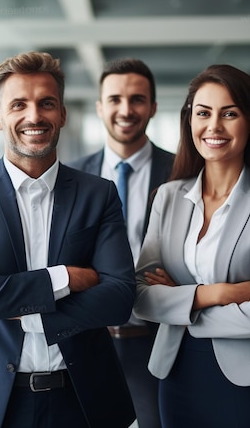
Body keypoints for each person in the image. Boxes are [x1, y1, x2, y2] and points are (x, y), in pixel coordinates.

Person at [0, 51, 137, 428]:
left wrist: (0, 292)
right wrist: (66, 279)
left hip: (81, 399)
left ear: (62, 114)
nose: (34, 116)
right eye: (18, 105)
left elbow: (119, 300)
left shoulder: (99, 193)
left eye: (46, 103)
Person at [132, 64, 250, 427]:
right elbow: (140, 296)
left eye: (230, 114)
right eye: (203, 113)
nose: (214, 127)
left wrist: (180, 301)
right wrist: (218, 293)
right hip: (175, 374)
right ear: (189, 120)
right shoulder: (168, 196)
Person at [68, 58, 174, 428]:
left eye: (137, 99)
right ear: (100, 107)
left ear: (153, 107)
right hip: (89, 335)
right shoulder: (73, 176)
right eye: (114, 99)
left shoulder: (184, 173)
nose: (126, 110)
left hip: (157, 335)